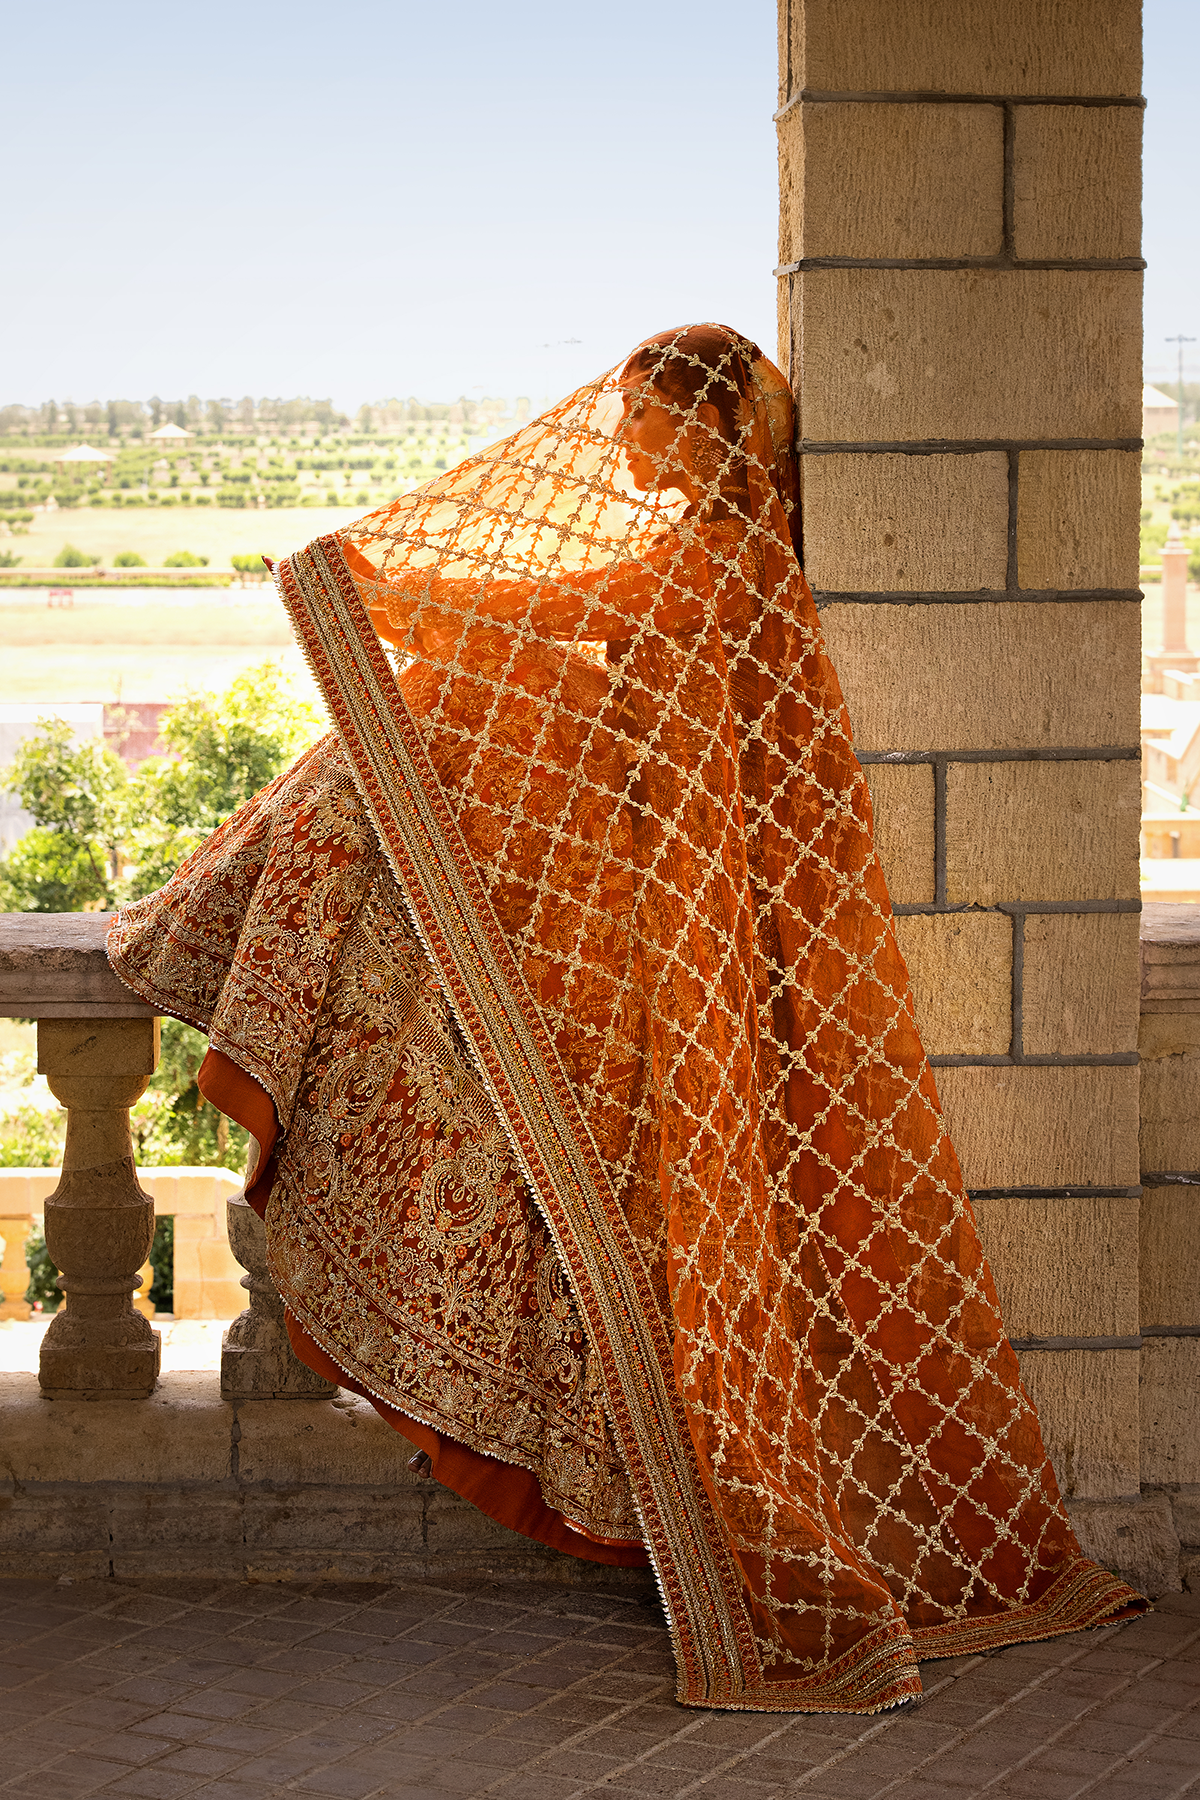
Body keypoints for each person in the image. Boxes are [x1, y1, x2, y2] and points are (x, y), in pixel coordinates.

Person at [109, 325, 1142, 1714]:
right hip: (678, 896)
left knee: (428, 723)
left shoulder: (719, 561)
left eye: (654, 421)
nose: (631, 444)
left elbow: (529, 618)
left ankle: (200, 930)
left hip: (691, 923)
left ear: (711, 433)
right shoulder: (724, 559)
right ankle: (222, 921)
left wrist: (359, 580)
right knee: (423, 726)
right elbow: (546, 636)